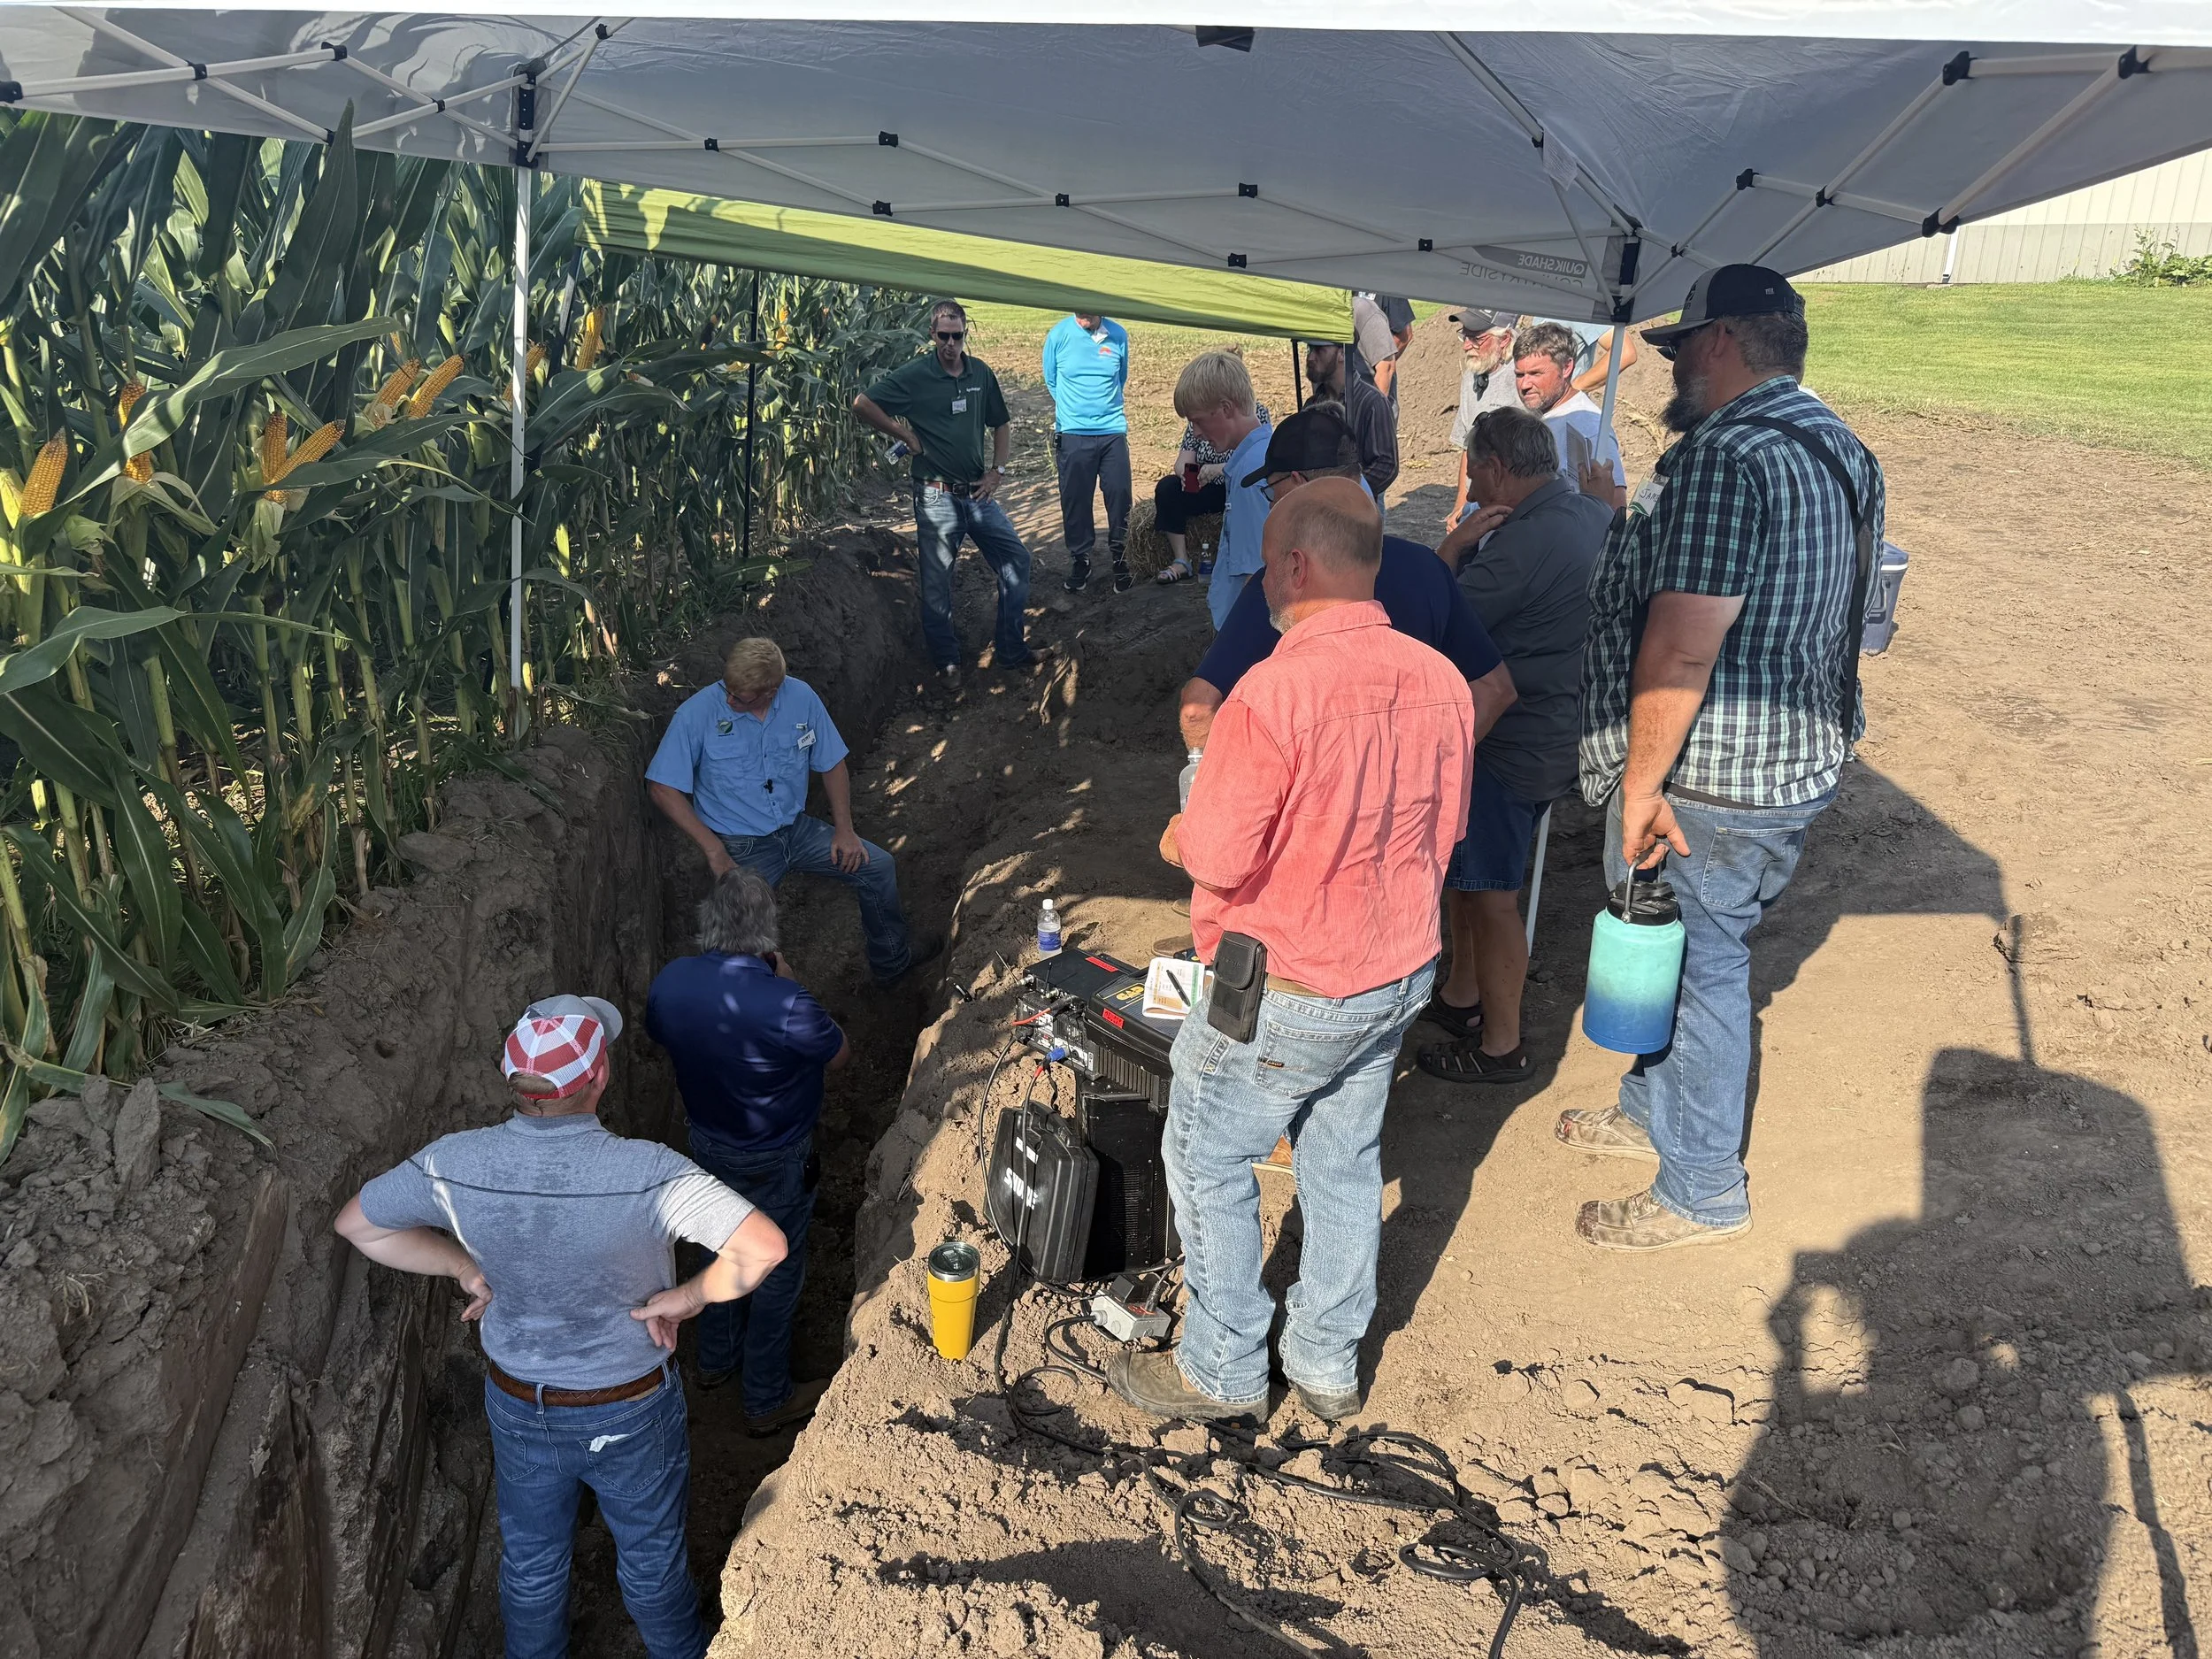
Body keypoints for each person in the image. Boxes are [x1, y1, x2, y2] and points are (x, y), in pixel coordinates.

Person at [1108, 479, 1472, 1425]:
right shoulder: (1437, 678)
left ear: (1297, 565)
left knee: (1203, 1157)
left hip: (1287, 985)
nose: (1261, 578)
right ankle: (1324, 1363)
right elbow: (1448, 829)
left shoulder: (1272, 692)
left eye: (1267, 562)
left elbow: (1220, 856)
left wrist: (1179, 833)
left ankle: (1223, 1370)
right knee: (1343, 1159)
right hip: (1396, 973)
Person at [1563, 263, 1885, 1251]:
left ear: (1719, 344)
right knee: (1674, 947)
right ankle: (1649, 1110)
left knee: (1697, 968)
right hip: (1791, 763)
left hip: (1709, 780)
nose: (1669, 369)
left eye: (1678, 349)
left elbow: (1682, 644)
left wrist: (1640, 788)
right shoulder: (1843, 447)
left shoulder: (1724, 454)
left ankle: (1701, 1186)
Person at [334, 995, 789, 1659]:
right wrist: (687, 1296)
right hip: (629, 1405)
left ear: (511, 1077)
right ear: (600, 1075)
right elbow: (763, 1247)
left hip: (520, 1403)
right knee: (651, 1566)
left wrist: (467, 1267)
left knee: (531, 1566)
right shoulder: (647, 1173)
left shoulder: (453, 1164)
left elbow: (359, 1224)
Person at [1416, 406, 1612, 1084]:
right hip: (1558, 725)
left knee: (1492, 890)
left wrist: (1450, 549)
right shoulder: (1589, 514)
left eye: (1476, 474)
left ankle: (1502, 1044)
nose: (1471, 489)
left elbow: (1437, 618)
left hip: (1509, 739)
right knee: (1471, 880)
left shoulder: (1526, 543)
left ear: (1496, 467)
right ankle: (1463, 996)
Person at [1178, 406, 1515, 755]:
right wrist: (1436, 766)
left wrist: (1223, 788)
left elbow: (1199, 706)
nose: (1272, 503)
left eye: (1271, 490)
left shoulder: (1287, 581)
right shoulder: (1428, 567)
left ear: (1297, 484)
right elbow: (1495, 689)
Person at [646, 870, 847, 1434]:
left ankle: (714, 1362)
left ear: (708, 923)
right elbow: (841, 1057)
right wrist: (788, 979)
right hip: (778, 1155)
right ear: (768, 935)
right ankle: (765, 1398)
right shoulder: (787, 1002)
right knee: (775, 1269)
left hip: (706, 1145)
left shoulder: (671, 981)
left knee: (721, 1248)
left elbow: (660, 1036)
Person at [647, 637, 939, 989]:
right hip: (742, 846)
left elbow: (831, 763)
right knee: (739, 942)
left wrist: (844, 831)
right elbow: (662, 787)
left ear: (771, 690)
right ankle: (758, 1012)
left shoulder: (801, 698)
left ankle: (892, 963)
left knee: (878, 868)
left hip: (797, 831)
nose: (729, 700)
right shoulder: (697, 714)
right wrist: (716, 852)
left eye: (740, 697)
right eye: (728, 689)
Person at [851, 299, 1033, 685]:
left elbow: (1000, 423)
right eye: (944, 336)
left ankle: (1011, 651)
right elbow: (862, 404)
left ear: (965, 334)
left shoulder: (980, 374)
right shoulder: (917, 375)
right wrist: (904, 434)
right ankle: (947, 661)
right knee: (936, 584)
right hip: (936, 497)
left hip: (977, 494)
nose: (951, 344)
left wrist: (997, 472)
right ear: (932, 335)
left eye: (958, 336)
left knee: (1017, 561)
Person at [1169, 351, 1273, 631]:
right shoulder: (1261, 457)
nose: (1197, 432)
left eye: (1199, 420)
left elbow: (1254, 574)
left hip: (1243, 627)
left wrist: (1238, 645)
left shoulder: (1249, 475)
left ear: (1226, 409)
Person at [1041, 309, 1133, 593]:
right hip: (1073, 433)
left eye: (1089, 313)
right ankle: (1080, 558)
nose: (1083, 318)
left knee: (1119, 494)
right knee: (1075, 499)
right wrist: (1075, 413)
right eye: (1079, 312)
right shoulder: (1058, 335)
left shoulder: (1118, 335)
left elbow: (1121, 377)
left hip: (1112, 431)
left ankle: (1121, 556)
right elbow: (1051, 380)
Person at [1151, 390, 1274, 587]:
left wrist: (1220, 470)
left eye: (1199, 423)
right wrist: (1188, 474)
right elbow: (1182, 461)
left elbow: (1258, 461)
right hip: (1206, 486)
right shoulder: (1197, 421)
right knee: (1168, 488)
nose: (1198, 431)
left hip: (1233, 485)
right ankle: (1181, 560)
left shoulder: (1256, 412)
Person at [1513, 320, 1627, 509]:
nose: (1525, 385)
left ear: (1566, 368)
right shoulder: (1545, 415)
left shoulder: (1587, 426)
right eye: (1520, 375)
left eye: (1535, 373)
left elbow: (1615, 505)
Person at [1446, 311, 1522, 525]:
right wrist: (1461, 506)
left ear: (1504, 339)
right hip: (1478, 501)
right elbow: (1467, 447)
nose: (1466, 346)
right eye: (1464, 336)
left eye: (1476, 339)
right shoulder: (1472, 372)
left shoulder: (1521, 379)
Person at [1301, 337, 1397, 504]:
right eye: (1310, 349)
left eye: (1319, 350)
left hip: (1356, 512)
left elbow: (1386, 464)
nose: (1310, 358)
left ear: (1342, 353)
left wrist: (1344, 492)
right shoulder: (1312, 405)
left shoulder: (1372, 402)